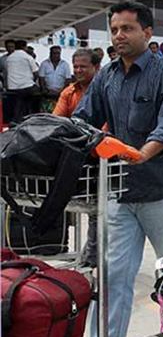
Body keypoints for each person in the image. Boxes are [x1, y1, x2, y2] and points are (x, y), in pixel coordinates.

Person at [73, 1, 163, 337]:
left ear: (147, 32)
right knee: (113, 276)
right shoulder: (107, 76)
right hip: (121, 192)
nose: (118, 36)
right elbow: (84, 119)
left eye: (126, 28)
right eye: (114, 30)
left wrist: (143, 153)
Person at [52, 49, 101, 268]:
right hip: (77, 155)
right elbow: (56, 122)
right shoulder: (69, 92)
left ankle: (92, 257)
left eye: (84, 66)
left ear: (96, 68)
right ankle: (90, 255)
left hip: (102, 156)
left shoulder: (105, 91)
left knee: (98, 212)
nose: (79, 70)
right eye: (76, 66)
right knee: (88, 209)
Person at [5, 40, 40, 122]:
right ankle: (36, 117)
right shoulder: (27, 57)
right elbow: (36, 73)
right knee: (38, 96)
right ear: (24, 47)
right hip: (26, 87)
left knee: (18, 104)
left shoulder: (8, 58)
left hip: (12, 88)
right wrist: (32, 81)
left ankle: (16, 119)